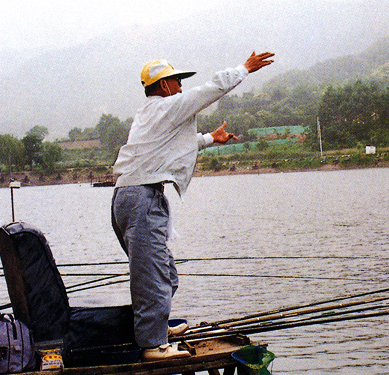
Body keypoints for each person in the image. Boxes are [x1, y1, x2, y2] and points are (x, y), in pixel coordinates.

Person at [111, 51, 274, 361]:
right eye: (176, 80)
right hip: (140, 198)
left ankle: (155, 326)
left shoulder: (149, 113)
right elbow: (211, 89)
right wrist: (245, 68)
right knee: (152, 274)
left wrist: (210, 138)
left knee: (164, 272)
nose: (181, 86)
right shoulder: (166, 106)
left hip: (129, 197)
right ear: (162, 85)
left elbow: (170, 147)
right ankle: (152, 344)